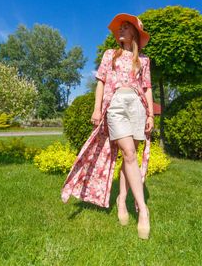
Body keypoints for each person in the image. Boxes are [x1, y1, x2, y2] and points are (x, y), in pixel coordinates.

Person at [61, 13, 154, 239]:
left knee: (128, 156)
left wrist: (151, 114)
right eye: (119, 28)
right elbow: (101, 83)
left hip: (137, 106)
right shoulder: (110, 55)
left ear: (134, 32)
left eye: (125, 28)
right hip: (116, 105)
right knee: (129, 153)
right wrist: (96, 108)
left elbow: (147, 87)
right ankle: (143, 210)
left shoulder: (143, 60)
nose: (120, 31)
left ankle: (122, 199)